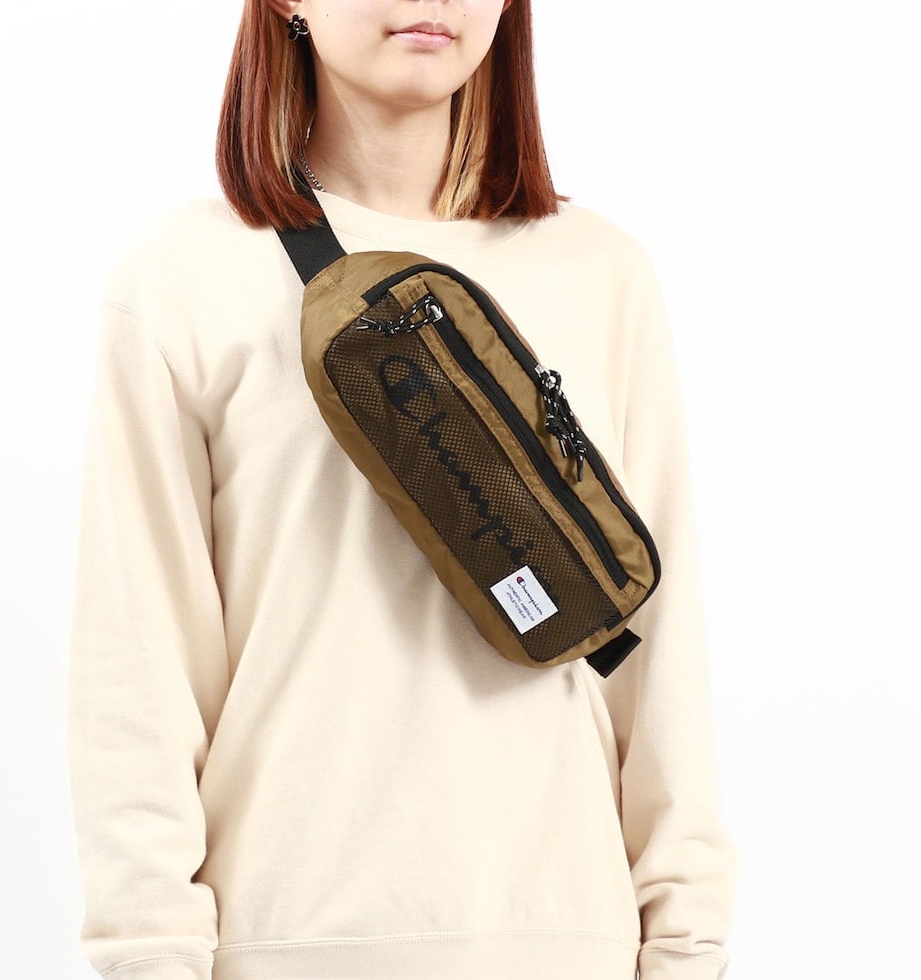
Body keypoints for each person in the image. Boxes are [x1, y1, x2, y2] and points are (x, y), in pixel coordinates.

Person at [67, 2, 736, 978]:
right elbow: (136, 658)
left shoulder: (601, 271)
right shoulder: (181, 276)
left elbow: (657, 649)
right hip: (289, 942)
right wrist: (149, 954)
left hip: (566, 941)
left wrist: (684, 944)